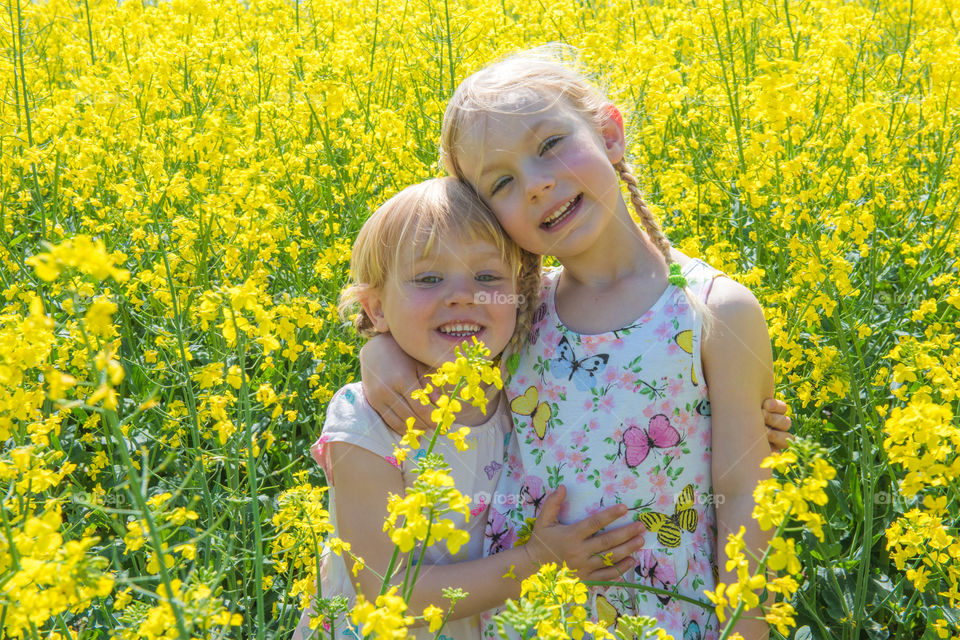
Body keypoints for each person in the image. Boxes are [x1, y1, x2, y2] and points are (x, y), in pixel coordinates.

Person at [359, 48, 792, 639]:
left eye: (550, 145)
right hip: (527, 618)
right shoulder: (513, 310)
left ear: (611, 134)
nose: (537, 186)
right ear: (492, 220)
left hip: (664, 616)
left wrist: (747, 631)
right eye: (503, 182)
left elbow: (744, 494)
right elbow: (423, 334)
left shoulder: (715, 310)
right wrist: (378, 350)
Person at [293, 178, 650, 640]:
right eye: (428, 278)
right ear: (376, 309)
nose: (463, 295)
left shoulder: (529, 386)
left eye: (487, 278)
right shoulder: (368, 420)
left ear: (523, 297)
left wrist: (739, 416)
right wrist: (537, 562)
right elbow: (389, 591)